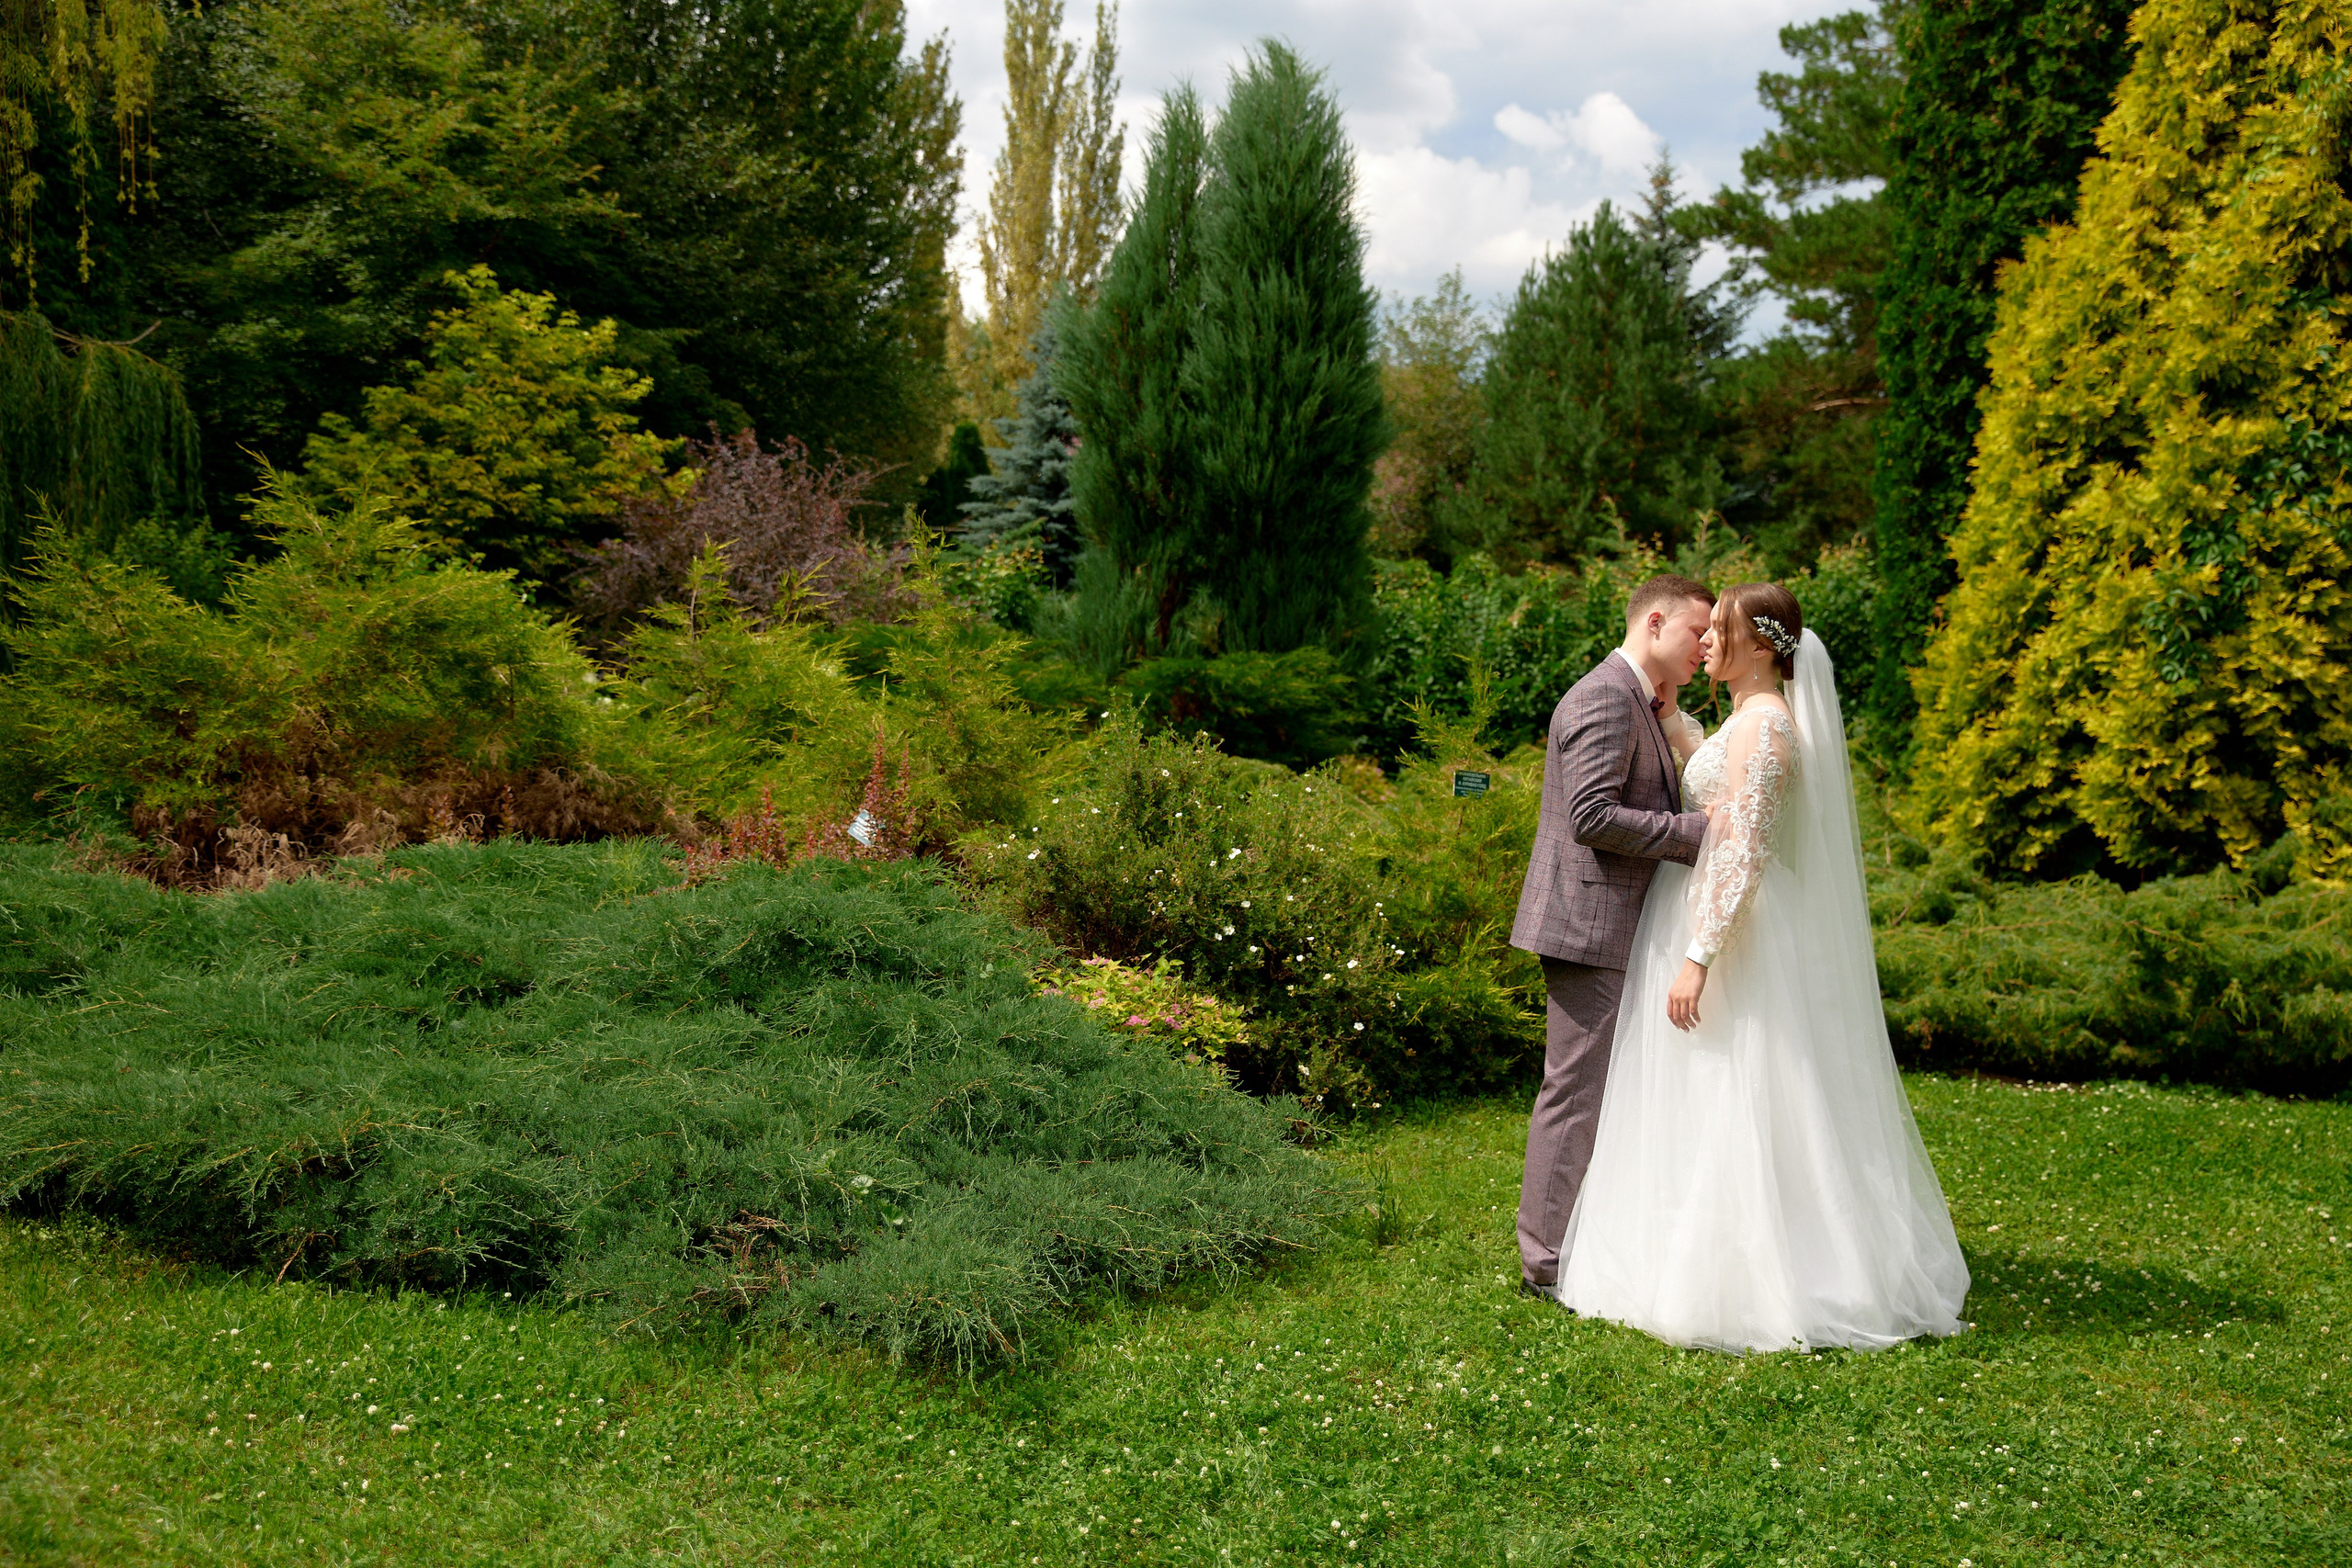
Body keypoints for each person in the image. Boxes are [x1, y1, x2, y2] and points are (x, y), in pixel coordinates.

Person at [1551, 583, 1971, 1352]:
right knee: (1693, 1093)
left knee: (1741, 1090)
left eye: (1722, 632)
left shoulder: (1771, 728)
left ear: (1765, 647)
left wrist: (1698, 957)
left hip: (1731, 932)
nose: (1707, 641)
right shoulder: (1746, 718)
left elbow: (1742, 851)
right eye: (1703, 630)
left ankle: (1762, 1271)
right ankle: (1676, 1248)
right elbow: (1701, 764)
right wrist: (1669, 711)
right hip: (1695, 913)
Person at [1509, 573, 1715, 1298]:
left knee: (1597, 1091)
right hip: (1587, 926)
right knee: (1575, 1094)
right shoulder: (1603, 695)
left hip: (1609, 923)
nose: (1707, 644)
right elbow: (1591, 815)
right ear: (1654, 621)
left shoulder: (1643, 701)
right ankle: (1544, 1264)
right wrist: (1697, 834)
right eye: (1698, 630)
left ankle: (1584, 1239)